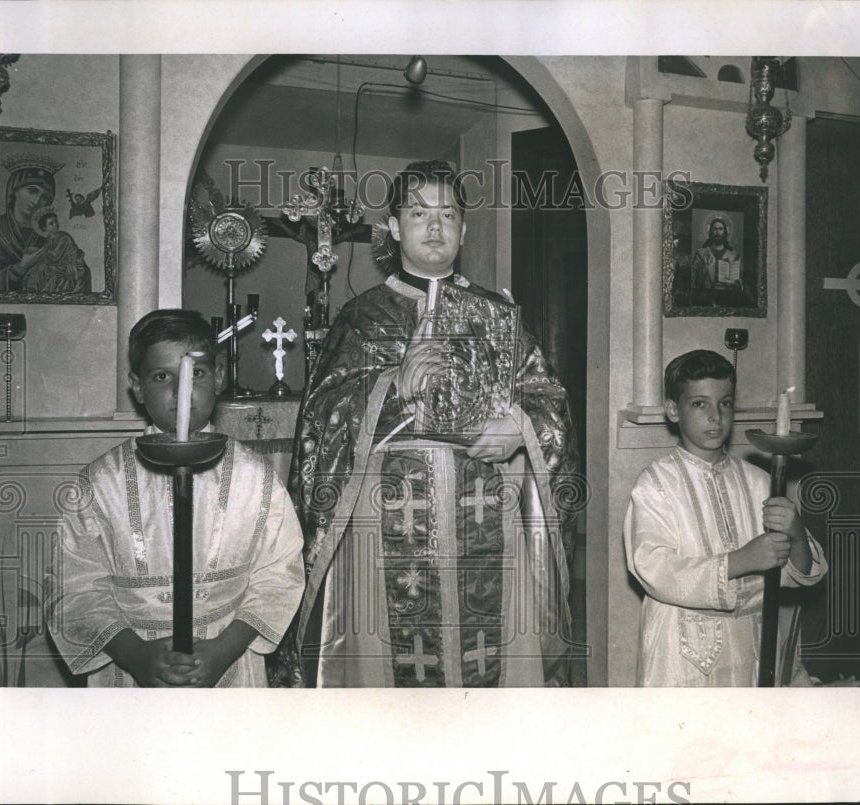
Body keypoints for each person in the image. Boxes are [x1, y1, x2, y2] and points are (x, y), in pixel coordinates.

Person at [287, 160, 580, 687]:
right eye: (420, 213)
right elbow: (320, 424)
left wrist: (521, 427)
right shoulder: (363, 317)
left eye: (449, 213)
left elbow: (549, 400)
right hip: (387, 528)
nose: (436, 226)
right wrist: (392, 387)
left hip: (489, 516)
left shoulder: (498, 315)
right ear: (395, 228)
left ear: (464, 229)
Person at [45, 309, 305, 687]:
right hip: (132, 666)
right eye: (162, 376)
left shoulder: (255, 477)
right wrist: (137, 656)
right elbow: (75, 588)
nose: (180, 391)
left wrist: (222, 650)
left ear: (218, 377)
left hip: (227, 662)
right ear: (137, 387)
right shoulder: (100, 484)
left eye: (196, 374)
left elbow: (280, 575)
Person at [623, 350, 827, 686]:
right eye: (700, 404)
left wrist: (797, 533)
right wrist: (741, 560)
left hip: (753, 644)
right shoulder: (656, 483)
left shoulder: (759, 480)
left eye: (726, 403)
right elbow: (653, 567)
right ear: (674, 410)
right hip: (683, 650)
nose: (716, 416)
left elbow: (801, 574)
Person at [0, 155, 58, 292]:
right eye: (32, 191)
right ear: (14, 191)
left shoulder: (50, 236)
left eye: (45, 197)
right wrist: (21, 267)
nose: (37, 201)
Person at [22, 208, 92, 293]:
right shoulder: (49, 238)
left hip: (72, 264)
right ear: (45, 228)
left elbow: (55, 257)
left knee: (43, 269)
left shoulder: (64, 237)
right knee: (36, 269)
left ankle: (39, 291)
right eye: (51, 223)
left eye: (56, 221)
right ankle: (32, 290)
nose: (56, 224)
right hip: (59, 264)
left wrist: (42, 252)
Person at [691, 216, 741, 304]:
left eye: (720, 229)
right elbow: (693, 283)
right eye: (715, 229)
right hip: (705, 300)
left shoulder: (734, 256)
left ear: (725, 232)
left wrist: (733, 284)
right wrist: (704, 269)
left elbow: (740, 284)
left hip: (728, 300)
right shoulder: (701, 254)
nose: (717, 232)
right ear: (710, 232)